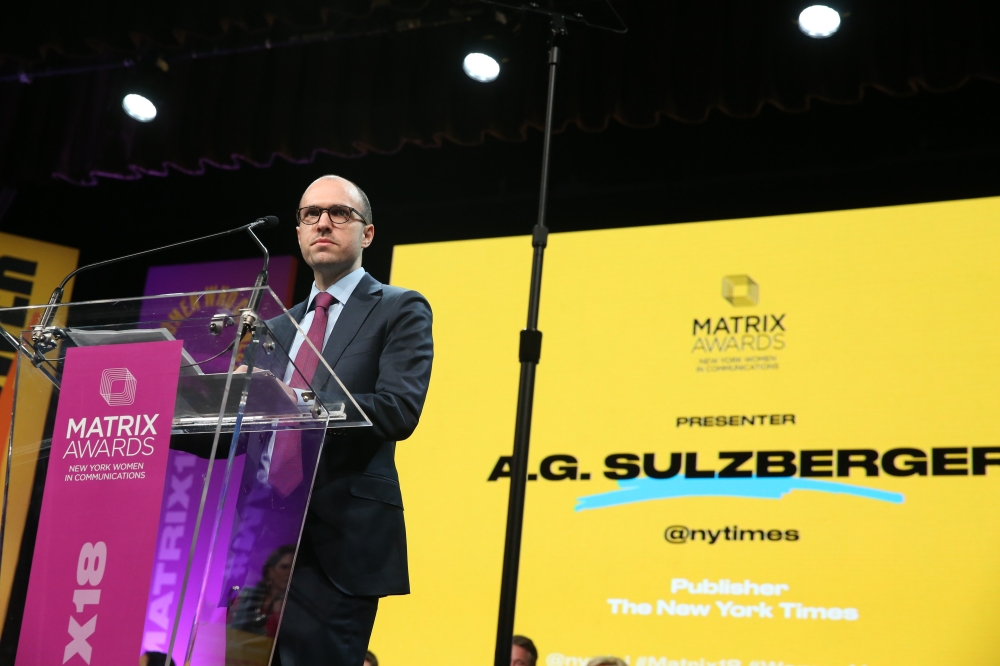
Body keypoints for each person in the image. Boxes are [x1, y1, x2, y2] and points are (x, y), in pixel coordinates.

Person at [268, 175, 434, 666]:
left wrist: (297, 403)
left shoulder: (399, 308)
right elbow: (245, 432)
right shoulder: (277, 326)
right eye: (310, 214)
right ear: (298, 231)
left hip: (338, 541)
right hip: (259, 541)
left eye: (339, 213)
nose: (323, 222)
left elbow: (398, 409)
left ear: (367, 234)